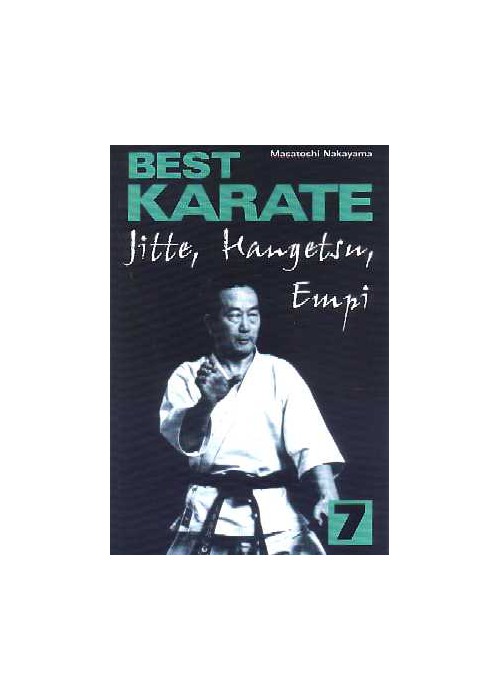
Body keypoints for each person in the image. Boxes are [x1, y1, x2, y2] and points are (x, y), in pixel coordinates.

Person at [159, 279, 345, 554]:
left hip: (276, 519)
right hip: (206, 517)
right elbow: (185, 442)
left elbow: (313, 441)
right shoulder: (187, 374)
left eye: (253, 315)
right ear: (211, 324)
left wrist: (329, 495)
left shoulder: (280, 372)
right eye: (234, 316)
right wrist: (207, 403)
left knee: (352, 555)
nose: (245, 326)